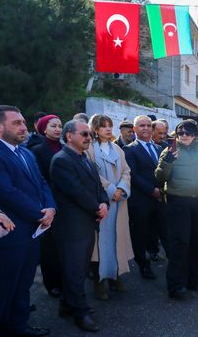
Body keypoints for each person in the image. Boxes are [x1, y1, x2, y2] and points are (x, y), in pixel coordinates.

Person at [0, 105, 56, 337]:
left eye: (23, 122)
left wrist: (51, 207)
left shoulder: (26, 153)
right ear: (0, 127)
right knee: (5, 287)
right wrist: (39, 213)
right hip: (11, 235)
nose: (24, 127)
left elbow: (42, 183)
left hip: (33, 232)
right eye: (17, 123)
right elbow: (6, 191)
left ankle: (19, 327)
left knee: (24, 284)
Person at [50, 119, 109, 333]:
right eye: (84, 134)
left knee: (80, 268)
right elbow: (76, 192)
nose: (88, 137)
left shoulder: (85, 157)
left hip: (87, 223)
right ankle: (80, 312)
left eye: (89, 134)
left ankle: (67, 304)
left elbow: (97, 185)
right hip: (72, 226)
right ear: (69, 136)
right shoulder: (62, 160)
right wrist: (97, 208)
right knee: (75, 270)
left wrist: (104, 202)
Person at [155, 120, 198, 300]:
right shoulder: (170, 151)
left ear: (195, 134)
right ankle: (176, 285)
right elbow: (160, 177)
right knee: (179, 243)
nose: (184, 136)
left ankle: (194, 280)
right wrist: (167, 161)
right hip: (178, 203)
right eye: (181, 133)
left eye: (189, 132)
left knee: (197, 242)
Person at [86, 115, 134, 301]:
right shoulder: (89, 149)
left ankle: (116, 277)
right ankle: (99, 282)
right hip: (102, 203)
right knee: (100, 245)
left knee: (117, 241)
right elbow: (92, 174)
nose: (107, 129)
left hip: (119, 203)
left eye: (109, 126)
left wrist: (122, 188)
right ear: (95, 129)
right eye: (103, 126)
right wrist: (111, 190)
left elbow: (126, 171)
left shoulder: (116, 148)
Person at [123, 116, 168, 280]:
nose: (146, 128)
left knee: (164, 231)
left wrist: (162, 190)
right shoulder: (129, 150)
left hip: (160, 200)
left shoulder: (159, 148)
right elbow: (133, 175)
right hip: (141, 201)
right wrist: (152, 190)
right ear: (134, 129)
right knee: (140, 235)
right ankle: (143, 265)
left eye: (149, 125)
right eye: (142, 125)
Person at [26, 114, 64, 299]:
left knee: (64, 245)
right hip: (48, 204)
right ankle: (53, 284)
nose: (57, 129)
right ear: (43, 128)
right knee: (50, 247)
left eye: (59, 125)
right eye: (53, 126)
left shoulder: (65, 147)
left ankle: (65, 280)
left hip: (67, 204)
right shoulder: (37, 150)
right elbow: (39, 181)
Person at [147, 120, 169, 261]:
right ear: (152, 132)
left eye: (164, 133)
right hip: (148, 193)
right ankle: (152, 250)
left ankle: (169, 251)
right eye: (159, 133)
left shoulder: (167, 147)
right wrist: (151, 189)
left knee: (165, 225)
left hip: (164, 193)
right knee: (150, 227)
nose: (162, 136)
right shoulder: (138, 148)